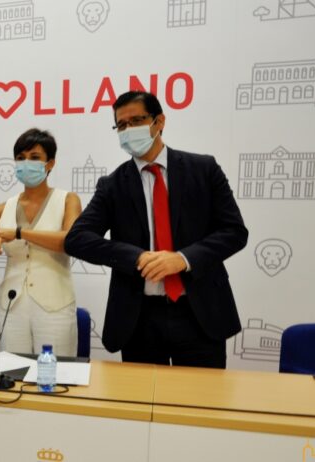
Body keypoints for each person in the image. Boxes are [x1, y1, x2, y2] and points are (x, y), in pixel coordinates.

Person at [64, 91, 248, 368]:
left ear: (159, 121)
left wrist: (183, 259)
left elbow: (234, 231)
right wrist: (135, 257)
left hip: (199, 313)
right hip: (139, 318)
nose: (128, 130)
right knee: (141, 396)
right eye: (121, 125)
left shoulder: (203, 169)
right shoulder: (112, 185)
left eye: (136, 121)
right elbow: (77, 239)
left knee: (200, 395)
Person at [0, 128, 82, 356]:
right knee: (12, 369)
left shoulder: (67, 200)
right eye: (20, 158)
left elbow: (69, 241)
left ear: (50, 163)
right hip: (11, 306)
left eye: (34, 157)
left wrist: (20, 233)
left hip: (55, 306)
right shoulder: (5, 207)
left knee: (56, 371)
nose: (26, 163)